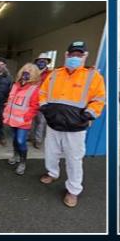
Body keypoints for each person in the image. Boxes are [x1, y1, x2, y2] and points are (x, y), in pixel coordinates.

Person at [38, 41, 105, 208]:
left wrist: (88, 114)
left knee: (74, 159)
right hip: (54, 124)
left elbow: (99, 99)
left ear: (85, 56)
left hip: (75, 128)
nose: (75, 57)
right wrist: (44, 108)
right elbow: (43, 92)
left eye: (79, 54)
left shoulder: (93, 76)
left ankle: (73, 190)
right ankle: (52, 173)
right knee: (51, 153)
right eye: (72, 54)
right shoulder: (55, 74)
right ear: (66, 55)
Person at [3, 63, 41, 175]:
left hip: (23, 120)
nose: (27, 71)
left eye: (30, 70)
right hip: (12, 118)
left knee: (20, 140)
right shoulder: (15, 85)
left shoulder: (34, 88)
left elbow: (35, 106)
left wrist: (27, 117)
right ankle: (15, 155)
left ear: (34, 73)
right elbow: (10, 99)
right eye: (25, 69)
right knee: (15, 139)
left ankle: (22, 162)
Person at [29, 53, 53, 149]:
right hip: (31, 101)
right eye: (40, 60)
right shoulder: (32, 72)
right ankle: (30, 137)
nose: (42, 62)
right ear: (36, 62)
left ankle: (38, 141)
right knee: (30, 120)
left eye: (44, 60)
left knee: (41, 122)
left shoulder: (51, 74)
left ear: (47, 62)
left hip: (43, 102)